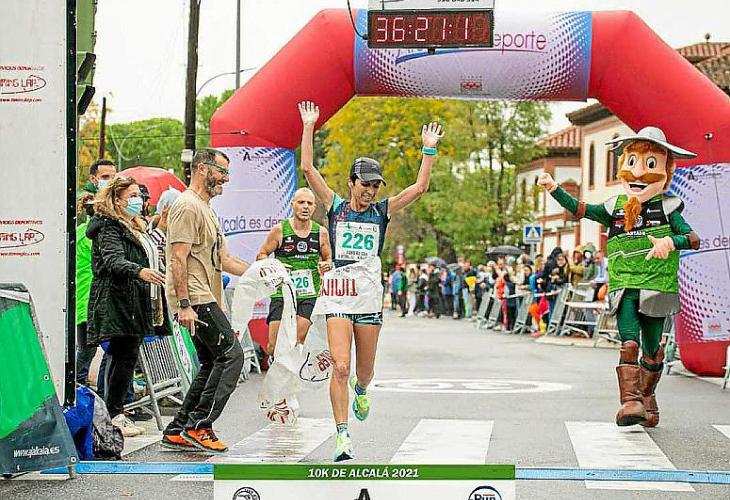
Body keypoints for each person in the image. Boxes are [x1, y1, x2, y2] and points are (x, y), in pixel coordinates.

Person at [297, 100, 443, 461]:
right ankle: (342, 436)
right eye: (365, 185)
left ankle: (361, 389)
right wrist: (309, 125)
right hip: (338, 295)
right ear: (351, 183)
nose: (371, 191)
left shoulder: (382, 211)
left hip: (367, 298)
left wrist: (428, 150)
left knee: (363, 372)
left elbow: (419, 188)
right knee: (340, 365)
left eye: (376, 186)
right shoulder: (335, 207)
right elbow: (307, 167)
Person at [538, 126, 700, 427]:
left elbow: (693, 239)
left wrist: (670, 241)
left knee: (652, 350)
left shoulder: (668, 208)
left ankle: (647, 397)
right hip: (625, 285)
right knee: (629, 343)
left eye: (650, 164)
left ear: (666, 170)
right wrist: (554, 188)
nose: (638, 173)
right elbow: (580, 209)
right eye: (632, 162)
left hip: (657, 286)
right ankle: (631, 402)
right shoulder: (614, 208)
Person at [162, 148, 249, 453]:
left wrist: (264, 271)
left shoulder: (206, 208)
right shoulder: (187, 206)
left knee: (212, 361)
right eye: (221, 172)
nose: (226, 179)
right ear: (202, 169)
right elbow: (177, 258)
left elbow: (225, 259)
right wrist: (184, 304)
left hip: (205, 294)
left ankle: (178, 429)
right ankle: (200, 425)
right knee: (232, 356)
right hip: (195, 296)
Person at [86, 176, 170, 437]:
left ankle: (113, 413)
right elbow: (113, 261)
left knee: (124, 357)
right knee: (122, 357)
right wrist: (140, 271)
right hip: (118, 301)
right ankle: (113, 415)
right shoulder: (108, 227)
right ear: (116, 199)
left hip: (135, 301)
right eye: (132, 195)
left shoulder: (135, 225)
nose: (138, 200)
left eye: (139, 195)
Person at [256, 187, 332, 356]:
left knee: (296, 341)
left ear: (314, 207)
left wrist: (327, 264)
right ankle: (278, 368)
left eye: (309, 203)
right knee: (274, 347)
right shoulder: (279, 230)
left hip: (308, 295)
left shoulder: (321, 233)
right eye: (301, 202)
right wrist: (274, 266)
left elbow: (328, 259)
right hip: (282, 293)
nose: (305, 207)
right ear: (292, 205)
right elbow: (261, 255)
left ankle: (294, 372)